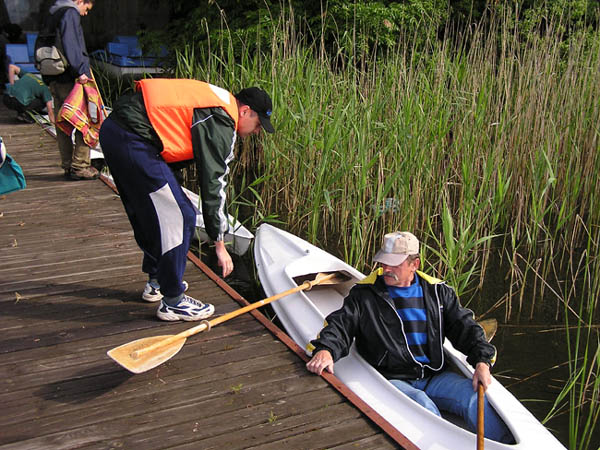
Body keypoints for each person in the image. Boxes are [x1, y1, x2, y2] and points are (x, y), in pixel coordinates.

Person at [306, 231, 513, 443]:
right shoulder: (364, 296)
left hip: (434, 375)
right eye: (383, 262)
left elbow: (466, 327)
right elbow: (340, 325)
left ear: (415, 264)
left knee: (474, 399)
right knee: (422, 404)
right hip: (393, 378)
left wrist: (482, 361)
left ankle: (503, 444)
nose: (386, 269)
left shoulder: (438, 292)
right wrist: (326, 350)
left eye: (394, 264)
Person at [99, 79, 274, 322]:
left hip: (115, 132)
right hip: (134, 139)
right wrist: (219, 243)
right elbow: (213, 185)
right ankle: (173, 302)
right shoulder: (223, 121)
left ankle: (157, 281)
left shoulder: (216, 105)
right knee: (181, 215)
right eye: (257, 125)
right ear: (245, 111)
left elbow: (171, 142)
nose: (257, 132)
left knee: (151, 212)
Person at [40, 0, 97, 180]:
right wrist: (80, 71)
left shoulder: (52, 13)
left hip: (53, 76)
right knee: (85, 119)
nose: (85, 14)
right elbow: (71, 42)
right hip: (70, 77)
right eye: (86, 9)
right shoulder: (70, 13)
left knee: (62, 122)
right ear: (80, 1)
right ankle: (80, 166)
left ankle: (67, 165)